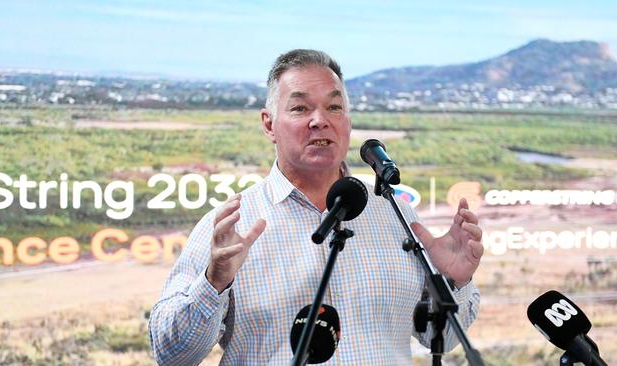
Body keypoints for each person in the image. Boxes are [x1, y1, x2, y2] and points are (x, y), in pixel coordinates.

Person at [149, 49, 484, 365]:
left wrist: (454, 282)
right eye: (300, 108)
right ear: (269, 124)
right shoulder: (233, 224)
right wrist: (214, 282)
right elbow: (172, 354)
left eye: (334, 108)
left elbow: (438, 338)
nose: (320, 120)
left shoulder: (394, 213)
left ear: (348, 122)